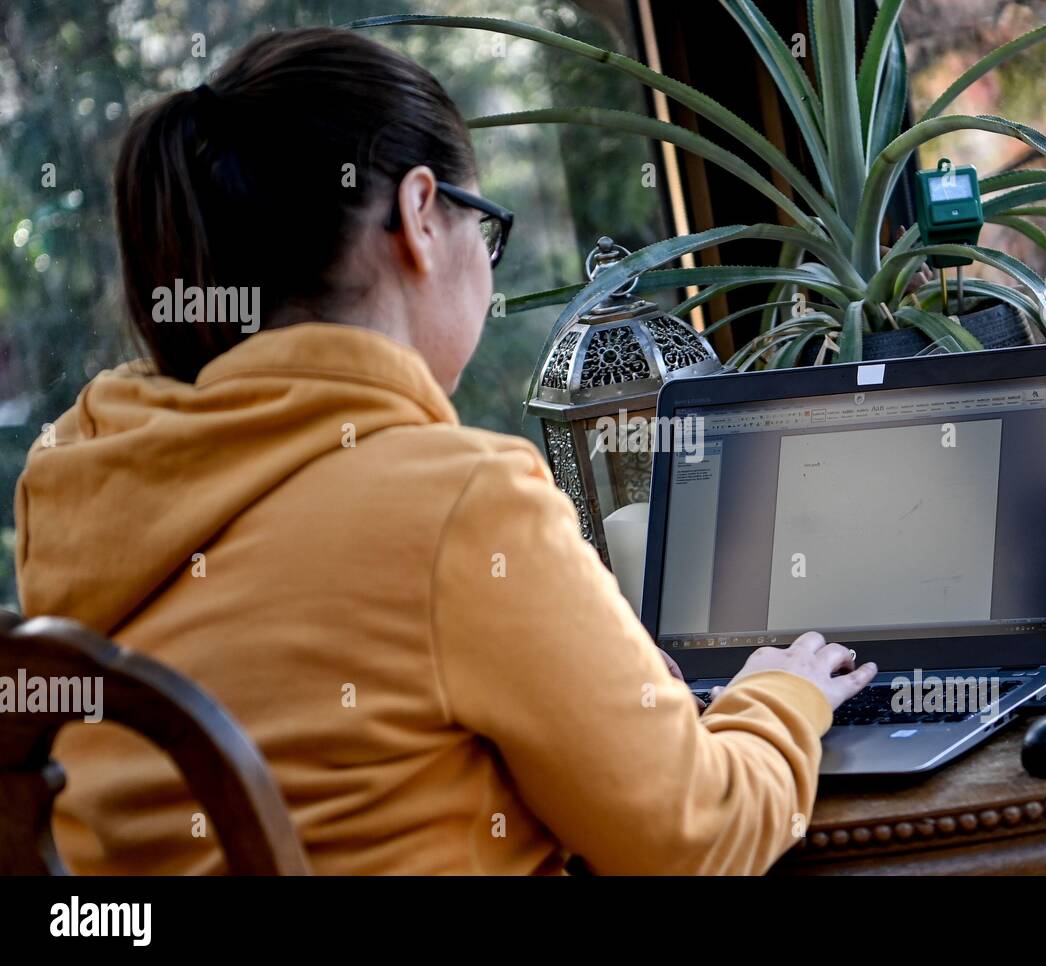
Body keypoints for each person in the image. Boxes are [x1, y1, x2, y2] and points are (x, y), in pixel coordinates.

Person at [15, 27, 876, 875]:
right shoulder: (458, 503)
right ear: (420, 214)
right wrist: (783, 693)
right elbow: (696, 838)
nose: (489, 265)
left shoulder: (85, 486)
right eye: (486, 227)